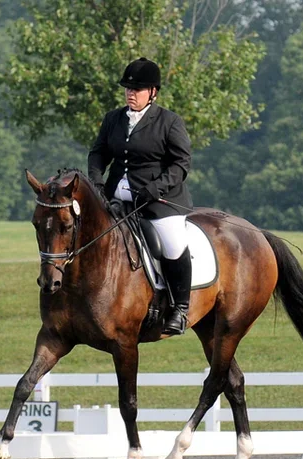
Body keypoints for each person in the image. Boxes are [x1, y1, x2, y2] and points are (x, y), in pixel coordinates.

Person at [88, 57, 193, 335]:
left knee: (171, 243)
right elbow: (98, 153)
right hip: (114, 201)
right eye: (128, 89)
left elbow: (181, 164)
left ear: (153, 92)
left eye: (138, 89)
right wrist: (96, 182)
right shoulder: (113, 119)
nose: (130, 94)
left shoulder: (169, 122)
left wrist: (154, 189)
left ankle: (180, 309)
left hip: (158, 202)